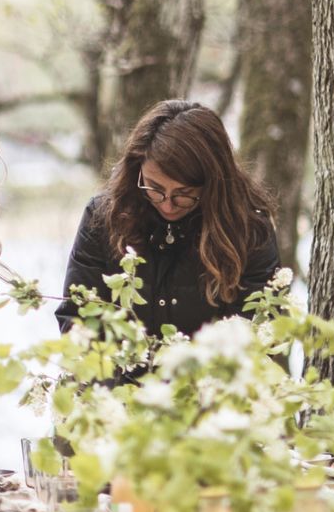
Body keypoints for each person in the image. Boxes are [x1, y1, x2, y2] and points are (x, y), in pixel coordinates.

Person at [58, 100, 280, 344]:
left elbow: (260, 334)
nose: (167, 204)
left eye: (183, 193)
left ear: (212, 184)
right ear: (137, 171)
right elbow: (77, 318)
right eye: (155, 188)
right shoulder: (103, 217)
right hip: (116, 378)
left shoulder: (249, 230)